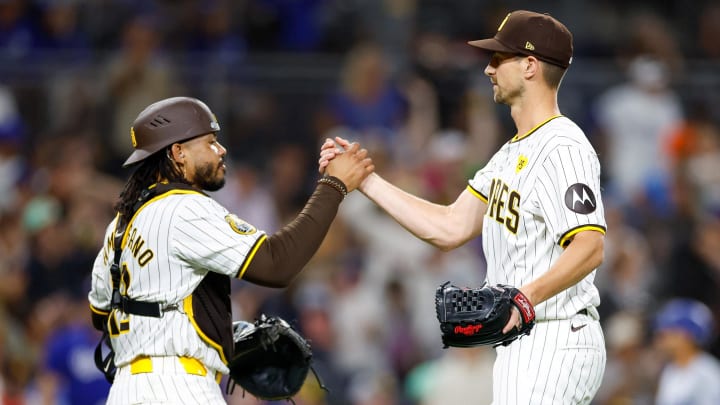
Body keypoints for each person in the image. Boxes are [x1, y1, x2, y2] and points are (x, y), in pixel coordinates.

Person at [321, 10, 606, 404]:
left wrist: (526, 297)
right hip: (524, 340)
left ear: (529, 66)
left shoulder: (563, 146)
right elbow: (450, 227)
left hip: (555, 334)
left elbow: (590, 245)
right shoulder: (509, 154)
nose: (488, 69)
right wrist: (366, 181)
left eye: (498, 59)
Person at [87, 96, 373, 404]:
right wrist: (334, 185)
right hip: (179, 387)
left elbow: (100, 313)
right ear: (178, 152)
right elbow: (277, 263)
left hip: (126, 390)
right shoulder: (184, 208)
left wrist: (208, 331)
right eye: (209, 142)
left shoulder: (120, 226)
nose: (221, 150)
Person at [653, 298, 720, 405]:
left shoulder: (709, 373)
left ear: (687, 335)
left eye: (670, 330)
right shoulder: (670, 370)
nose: (663, 335)